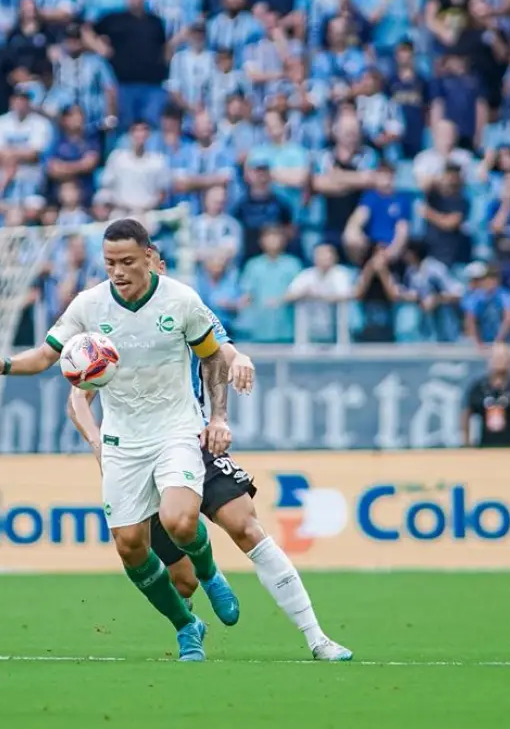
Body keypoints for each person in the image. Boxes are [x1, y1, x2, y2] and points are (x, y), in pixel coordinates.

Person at [0, 218, 238, 662]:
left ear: (149, 257)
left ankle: (210, 574)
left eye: (127, 261)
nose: (118, 271)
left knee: (179, 521)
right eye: (110, 262)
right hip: (122, 441)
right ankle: (187, 626)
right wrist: (7, 365)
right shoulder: (89, 305)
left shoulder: (182, 300)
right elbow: (47, 354)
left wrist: (219, 415)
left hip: (175, 428)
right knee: (130, 546)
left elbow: (212, 358)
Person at [67, 244, 352, 661]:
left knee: (246, 526)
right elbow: (80, 394)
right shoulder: (109, 326)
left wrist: (240, 359)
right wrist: (97, 444)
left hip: (189, 440)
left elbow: (222, 349)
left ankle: (317, 638)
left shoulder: (183, 308)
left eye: (145, 266)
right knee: (181, 581)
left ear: (157, 266)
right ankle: (188, 627)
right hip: (137, 452)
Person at [461, 344, 510, 448]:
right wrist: (467, 442)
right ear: (489, 360)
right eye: (497, 357)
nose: (500, 361)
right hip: (485, 447)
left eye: (503, 357)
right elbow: (466, 414)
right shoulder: (478, 388)